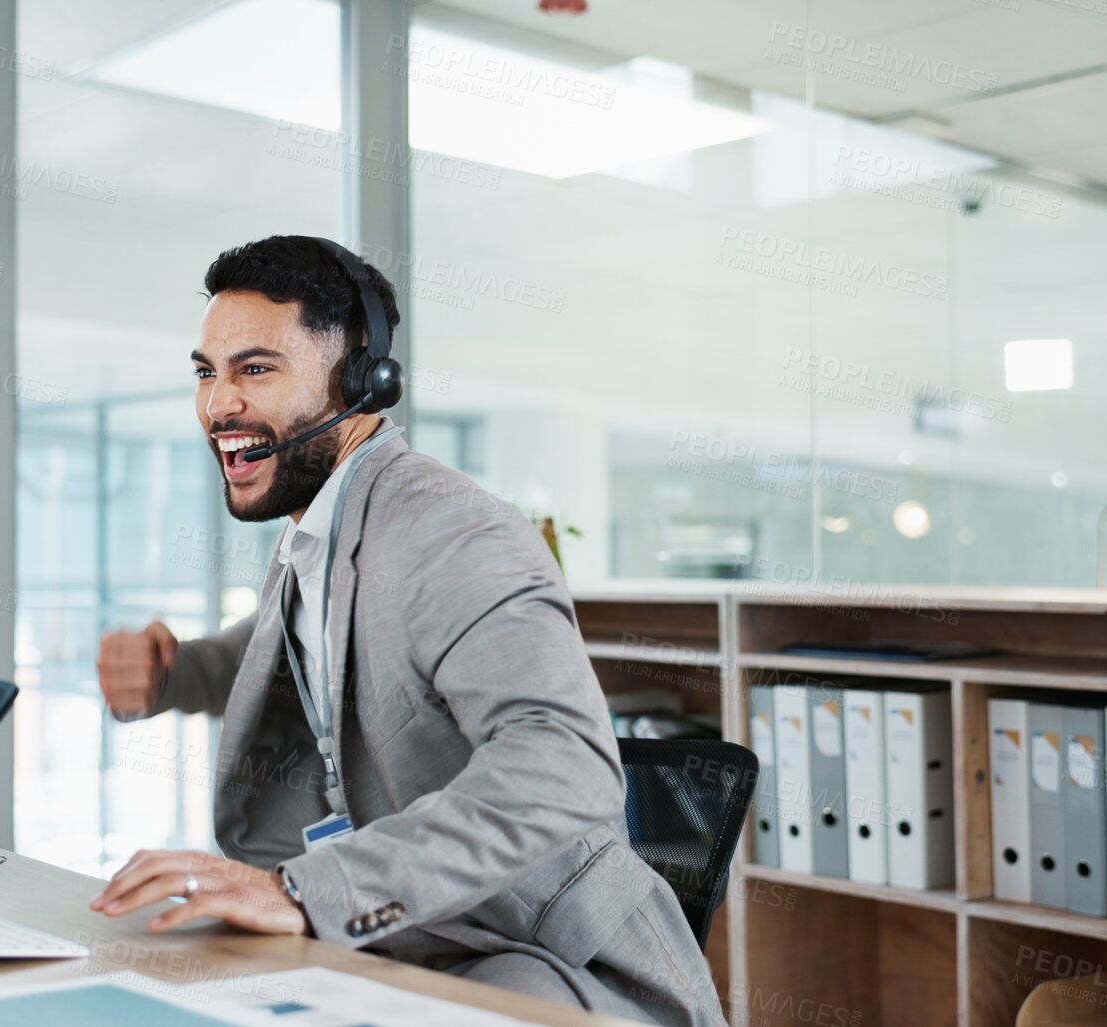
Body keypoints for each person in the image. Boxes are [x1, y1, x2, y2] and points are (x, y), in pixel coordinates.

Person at [91, 236, 723, 1027]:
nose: (218, 404)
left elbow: (564, 765)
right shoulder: (323, 529)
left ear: (361, 381)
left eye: (255, 369)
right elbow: (299, 649)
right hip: (409, 939)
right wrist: (175, 672)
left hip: (546, 963)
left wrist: (302, 891)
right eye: (205, 372)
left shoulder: (453, 533)